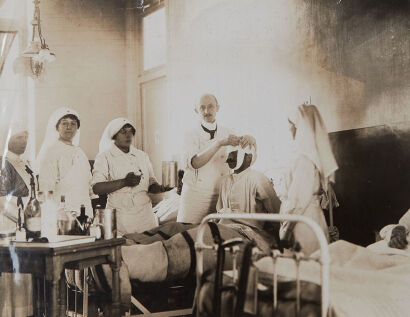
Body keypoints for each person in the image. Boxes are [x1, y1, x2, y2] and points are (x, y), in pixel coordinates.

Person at [96, 144, 280, 309]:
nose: (229, 159)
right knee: (174, 228)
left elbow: (277, 214)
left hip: (247, 235)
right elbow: (219, 211)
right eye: (228, 155)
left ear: (248, 156)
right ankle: (120, 247)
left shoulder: (258, 178)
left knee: (196, 239)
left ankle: (125, 261)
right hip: (221, 224)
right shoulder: (226, 181)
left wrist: (277, 241)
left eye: (234, 155)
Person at [177, 93, 256, 224]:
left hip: (221, 196)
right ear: (196, 110)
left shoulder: (228, 131)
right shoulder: (190, 134)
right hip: (196, 197)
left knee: (213, 238)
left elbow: (243, 160)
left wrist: (251, 141)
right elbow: (194, 163)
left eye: (210, 107)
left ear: (218, 108)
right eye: (202, 108)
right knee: (187, 235)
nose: (207, 111)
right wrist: (218, 143)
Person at [92, 118, 170, 234]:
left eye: (130, 132)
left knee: (150, 247)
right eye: (123, 132)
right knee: (126, 248)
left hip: (145, 216)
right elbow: (97, 188)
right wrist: (125, 182)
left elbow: (151, 182)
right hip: (121, 217)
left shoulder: (142, 156)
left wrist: (162, 188)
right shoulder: (105, 157)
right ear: (114, 136)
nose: (128, 135)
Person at [279, 104, 338, 255]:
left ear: (301, 127)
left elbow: (298, 199)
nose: (289, 129)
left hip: (302, 222)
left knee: (303, 267)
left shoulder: (304, 159)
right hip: (309, 218)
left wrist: (287, 229)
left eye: (292, 125)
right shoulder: (307, 157)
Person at [0, 124, 34, 317]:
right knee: (10, 280)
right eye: (18, 138)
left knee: (22, 279)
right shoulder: (3, 162)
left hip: (21, 228)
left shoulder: (24, 163)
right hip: (7, 226)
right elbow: (2, 201)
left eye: (25, 138)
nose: (23, 142)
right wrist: (26, 218)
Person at [37, 107, 93, 216]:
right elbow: (46, 188)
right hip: (62, 213)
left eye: (73, 124)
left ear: (77, 128)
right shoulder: (51, 152)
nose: (69, 127)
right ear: (57, 127)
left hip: (84, 210)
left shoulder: (80, 152)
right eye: (64, 123)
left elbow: (88, 186)